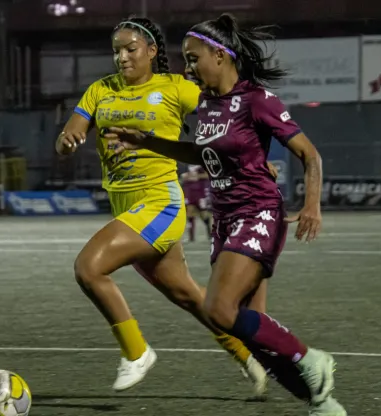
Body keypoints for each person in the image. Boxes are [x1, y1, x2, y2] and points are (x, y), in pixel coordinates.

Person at [105, 13, 346, 416]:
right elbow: (202, 154)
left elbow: (309, 154)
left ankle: (311, 358)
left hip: (258, 213)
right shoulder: (205, 105)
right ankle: (321, 402)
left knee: (219, 310)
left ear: (220, 55)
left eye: (193, 58)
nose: (188, 67)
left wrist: (311, 205)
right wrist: (146, 142)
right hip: (225, 220)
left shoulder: (257, 100)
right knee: (247, 328)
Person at [54, 16, 267, 395]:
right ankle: (247, 354)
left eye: (130, 49)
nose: (122, 57)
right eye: (117, 50)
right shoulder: (99, 91)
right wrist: (68, 140)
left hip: (160, 203)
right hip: (127, 208)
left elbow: (226, 106)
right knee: (191, 297)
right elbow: (70, 133)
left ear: (152, 51)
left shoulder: (175, 88)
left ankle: (137, 353)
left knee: (88, 268)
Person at [180, 165, 212, 242]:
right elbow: (181, 175)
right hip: (189, 190)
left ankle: (209, 230)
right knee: (190, 212)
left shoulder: (200, 162)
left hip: (200, 191)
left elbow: (209, 175)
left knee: (203, 214)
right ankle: (191, 237)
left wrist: (196, 176)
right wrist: (185, 176)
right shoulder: (184, 163)